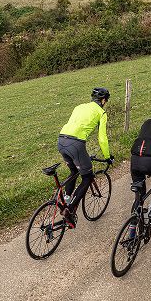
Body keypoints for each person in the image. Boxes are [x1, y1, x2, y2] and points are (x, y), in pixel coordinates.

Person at [58, 87, 112, 229]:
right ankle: (69, 210)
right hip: (76, 144)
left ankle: (66, 200)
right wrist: (107, 157)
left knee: (74, 171)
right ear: (104, 100)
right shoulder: (101, 112)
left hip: (61, 141)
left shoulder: (79, 107)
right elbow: (102, 138)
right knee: (87, 177)